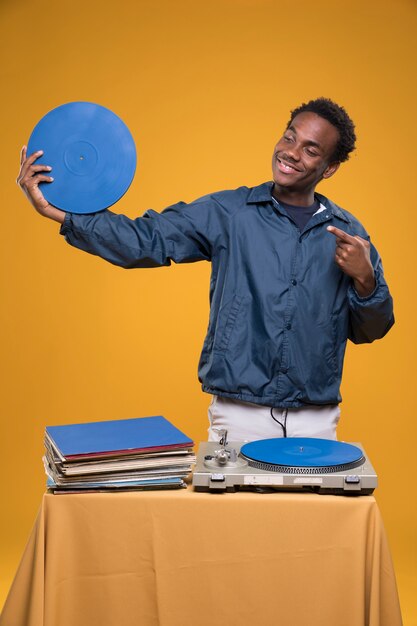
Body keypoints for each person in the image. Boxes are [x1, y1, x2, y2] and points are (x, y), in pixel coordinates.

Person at [17, 98, 394, 442]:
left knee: (309, 519)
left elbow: (371, 330)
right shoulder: (229, 212)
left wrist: (366, 279)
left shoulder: (350, 235)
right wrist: (62, 215)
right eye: (290, 137)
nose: (291, 153)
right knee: (233, 518)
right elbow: (147, 239)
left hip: (316, 417)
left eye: (310, 150)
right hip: (238, 413)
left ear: (329, 168)